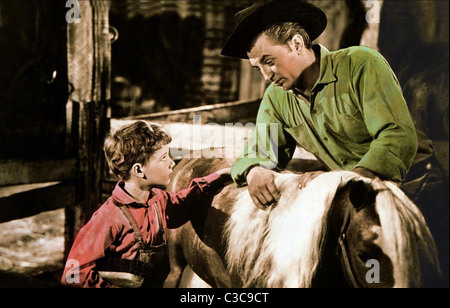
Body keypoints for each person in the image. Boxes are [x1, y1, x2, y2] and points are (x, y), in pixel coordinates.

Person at [221, 0, 440, 210]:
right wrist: (253, 170)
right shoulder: (276, 98)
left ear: (296, 44)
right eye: (258, 68)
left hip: (416, 184)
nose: (266, 76)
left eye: (269, 62)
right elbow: (262, 149)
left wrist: (348, 181)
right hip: (353, 196)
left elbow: (397, 135)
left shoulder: (360, 64)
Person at [61, 120, 230, 288]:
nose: (172, 163)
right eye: (164, 158)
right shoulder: (109, 217)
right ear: (139, 170)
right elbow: (72, 275)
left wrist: (221, 175)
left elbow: (185, 203)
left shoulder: (158, 201)